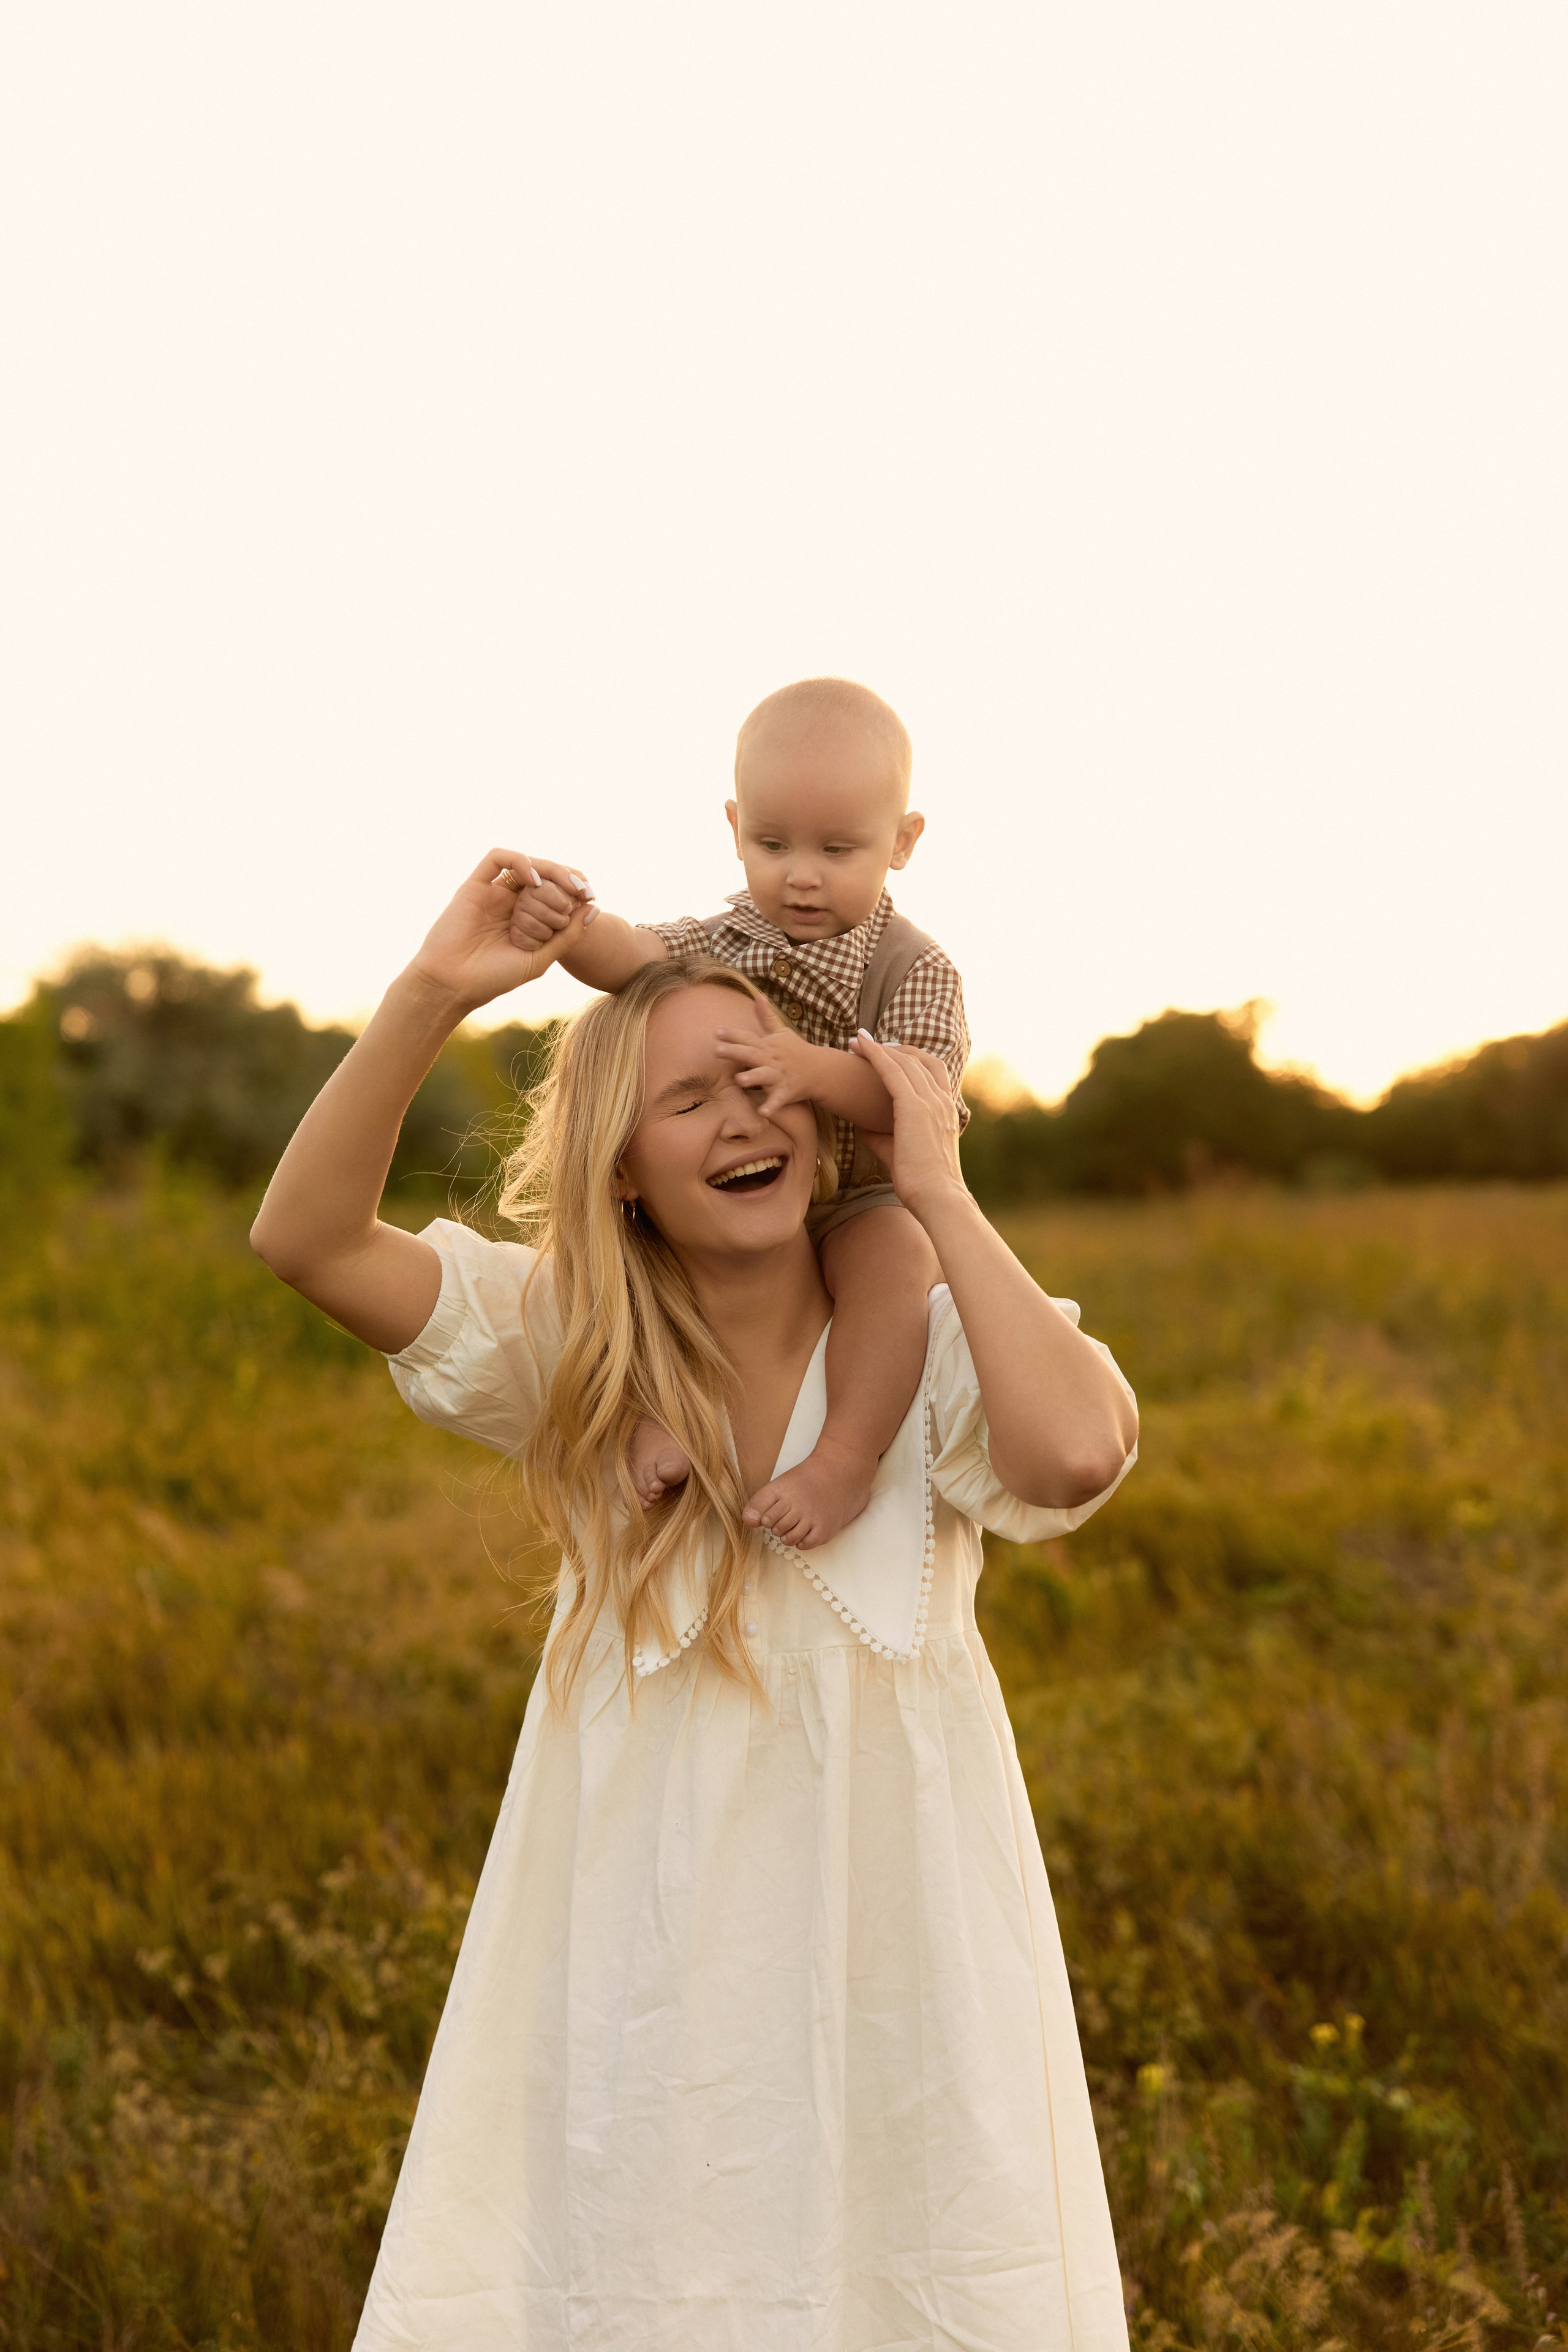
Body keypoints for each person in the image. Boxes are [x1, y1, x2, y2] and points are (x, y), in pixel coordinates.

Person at [251, 850, 1140, 2352]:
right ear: (621, 1165)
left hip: (901, 1977)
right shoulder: (573, 1347)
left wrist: (935, 1185)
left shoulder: (926, 1345)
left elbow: (1072, 1454)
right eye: (687, 1099)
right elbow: (308, 1242)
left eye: (760, 1078)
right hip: (640, 1979)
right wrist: (432, 993)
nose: (741, 1117)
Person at [508, 674, 966, 1551]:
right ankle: (657, 1411)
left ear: (903, 842)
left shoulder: (913, 970)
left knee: (895, 1263)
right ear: (734, 829)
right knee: (650, 1268)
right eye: (772, 843)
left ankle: (844, 1458)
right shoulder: (724, 938)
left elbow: (917, 1103)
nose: (801, 875)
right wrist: (570, 927)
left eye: (838, 849)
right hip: (738, 1190)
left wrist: (812, 1070)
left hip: (860, 1195)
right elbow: (634, 955)